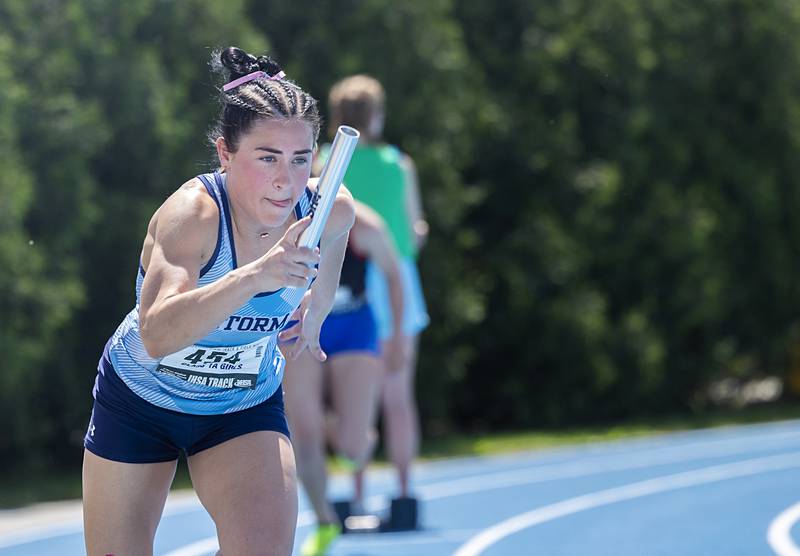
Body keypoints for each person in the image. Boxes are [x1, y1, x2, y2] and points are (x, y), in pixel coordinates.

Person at [81, 46, 354, 556]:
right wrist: (257, 275)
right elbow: (158, 333)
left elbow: (338, 231)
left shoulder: (325, 210)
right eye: (266, 157)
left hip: (241, 407)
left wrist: (315, 311)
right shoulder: (194, 216)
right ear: (226, 154)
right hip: (141, 402)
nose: (284, 179)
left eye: (299, 160)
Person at [325, 75, 429, 503]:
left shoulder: (326, 160)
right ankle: (404, 491)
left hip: (344, 278)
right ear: (376, 116)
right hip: (394, 275)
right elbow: (416, 228)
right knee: (398, 397)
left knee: (352, 399)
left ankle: (357, 491)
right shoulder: (399, 164)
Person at [284, 199, 407, 556]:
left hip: (352, 325)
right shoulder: (285, 217)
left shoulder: (365, 227)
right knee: (303, 432)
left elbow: (395, 276)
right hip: (300, 324)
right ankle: (325, 521)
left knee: (353, 447)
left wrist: (397, 336)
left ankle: (347, 433)